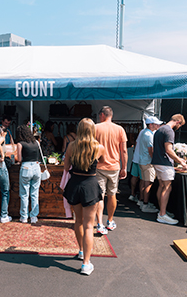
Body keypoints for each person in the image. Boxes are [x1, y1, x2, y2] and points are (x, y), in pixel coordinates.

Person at [63, 118, 105, 276]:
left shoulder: (71, 146)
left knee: (78, 221)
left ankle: (81, 250)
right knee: (89, 225)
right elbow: (102, 162)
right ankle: (86, 263)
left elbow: (66, 167)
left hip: (74, 184)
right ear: (92, 130)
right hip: (90, 185)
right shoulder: (99, 147)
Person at [94, 106, 127, 235]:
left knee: (99, 196)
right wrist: (124, 167)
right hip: (114, 167)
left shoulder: (95, 128)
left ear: (102, 115)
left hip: (98, 166)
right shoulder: (119, 129)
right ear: (111, 115)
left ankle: (99, 223)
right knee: (112, 194)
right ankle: (110, 220)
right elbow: (123, 150)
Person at [151, 114, 187, 225]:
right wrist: (180, 161)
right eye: (180, 125)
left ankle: (162, 211)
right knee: (167, 187)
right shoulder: (169, 131)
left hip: (157, 161)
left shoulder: (159, 130)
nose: (179, 128)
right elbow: (169, 150)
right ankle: (162, 214)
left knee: (162, 186)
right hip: (164, 163)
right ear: (178, 122)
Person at [16, 125, 42, 224]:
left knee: (24, 194)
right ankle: (34, 216)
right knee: (35, 193)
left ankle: (24, 217)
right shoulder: (36, 142)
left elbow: (19, 159)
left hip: (26, 167)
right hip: (36, 167)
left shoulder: (20, 144)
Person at [136, 116, 162, 213]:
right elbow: (151, 151)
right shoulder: (149, 135)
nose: (158, 125)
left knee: (143, 182)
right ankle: (145, 205)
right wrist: (155, 161)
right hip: (147, 162)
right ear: (151, 125)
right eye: (156, 124)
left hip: (142, 161)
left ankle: (141, 201)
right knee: (148, 184)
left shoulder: (144, 132)